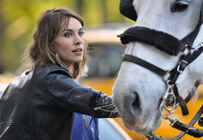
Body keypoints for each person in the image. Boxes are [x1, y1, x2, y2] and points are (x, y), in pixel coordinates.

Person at [0, 7, 119, 140]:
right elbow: (96, 102)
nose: (78, 40)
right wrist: (136, 105)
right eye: (67, 34)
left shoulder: (18, 82)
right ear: (49, 43)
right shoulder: (50, 79)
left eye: (80, 33)